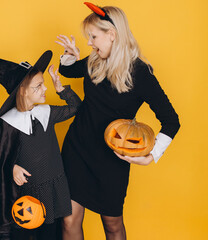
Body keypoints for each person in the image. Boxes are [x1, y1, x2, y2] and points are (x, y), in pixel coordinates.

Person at [55, 3, 180, 240]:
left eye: (93, 37)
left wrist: (151, 155)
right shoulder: (95, 61)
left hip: (111, 160)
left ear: (111, 35)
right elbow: (68, 71)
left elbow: (171, 120)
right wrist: (70, 56)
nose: (89, 43)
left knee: (112, 225)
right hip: (77, 149)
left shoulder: (141, 73)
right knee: (69, 219)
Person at [0, 50, 81, 240]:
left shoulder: (46, 113)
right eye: (38, 86)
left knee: (51, 234)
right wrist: (12, 167)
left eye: (43, 84)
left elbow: (76, 107)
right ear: (23, 91)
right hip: (29, 193)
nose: (45, 89)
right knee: (28, 235)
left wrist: (60, 88)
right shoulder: (9, 123)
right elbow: (2, 159)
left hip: (54, 186)